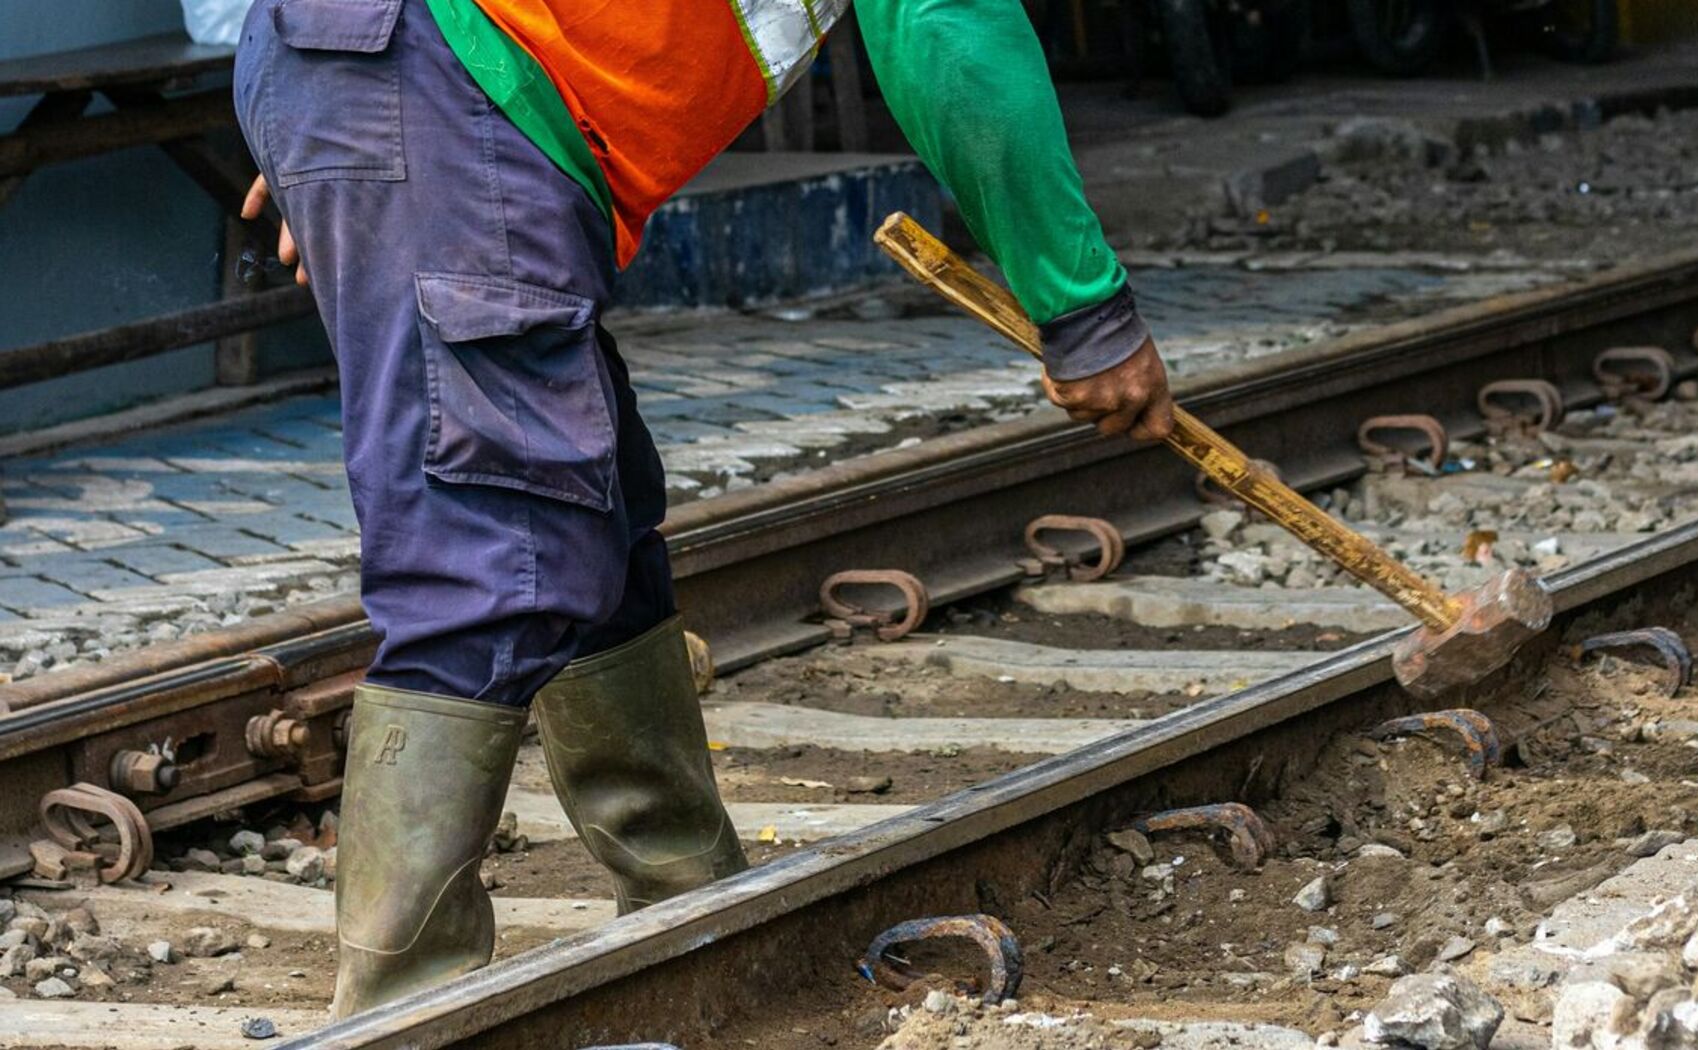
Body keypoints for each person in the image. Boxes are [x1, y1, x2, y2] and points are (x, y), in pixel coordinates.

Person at [232, 0, 1174, 1016]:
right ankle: (396, 1018)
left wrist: (352, 131)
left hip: (402, 71)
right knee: (491, 547)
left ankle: (690, 914)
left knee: (590, 502)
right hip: (438, 67)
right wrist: (1082, 308)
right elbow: (948, 28)